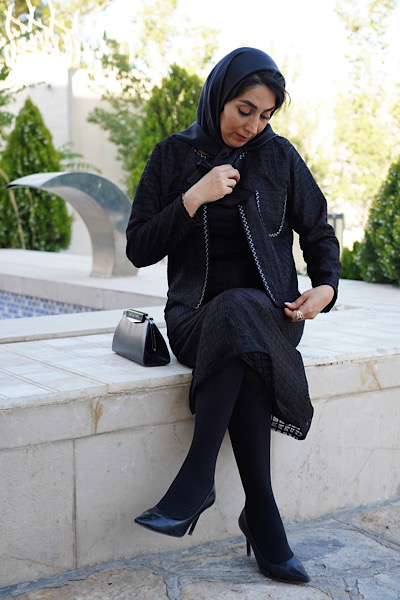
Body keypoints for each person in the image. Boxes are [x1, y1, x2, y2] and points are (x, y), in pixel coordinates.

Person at [126, 47, 340, 585]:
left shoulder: (279, 156)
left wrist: (326, 288)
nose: (254, 125)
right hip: (195, 320)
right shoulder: (173, 156)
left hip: (274, 316)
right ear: (219, 95)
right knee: (233, 316)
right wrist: (192, 198)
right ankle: (262, 517)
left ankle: (197, 481)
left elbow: (319, 230)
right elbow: (138, 247)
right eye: (245, 109)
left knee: (243, 311)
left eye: (265, 115)